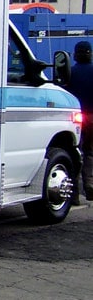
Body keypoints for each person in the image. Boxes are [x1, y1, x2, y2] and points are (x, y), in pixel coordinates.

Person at [67, 41, 93, 201]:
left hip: (73, 118)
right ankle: (89, 186)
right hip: (92, 118)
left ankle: (74, 191)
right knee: (90, 152)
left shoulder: (70, 73)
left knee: (73, 153)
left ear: (76, 54)